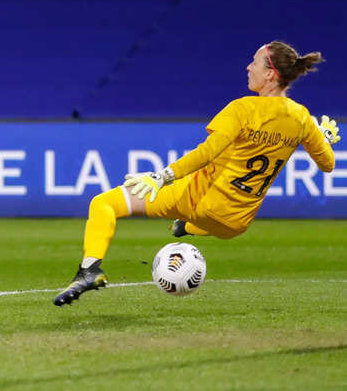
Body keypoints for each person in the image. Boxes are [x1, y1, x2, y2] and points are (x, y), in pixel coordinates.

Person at [54, 41, 340, 306]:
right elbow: (327, 164)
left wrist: (162, 176)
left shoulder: (243, 108)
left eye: (254, 62)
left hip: (198, 201)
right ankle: (185, 228)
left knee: (103, 203)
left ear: (270, 75)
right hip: (235, 224)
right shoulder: (302, 118)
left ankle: (89, 270)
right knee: (197, 220)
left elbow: (206, 153)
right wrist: (321, 138)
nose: (248, 67)